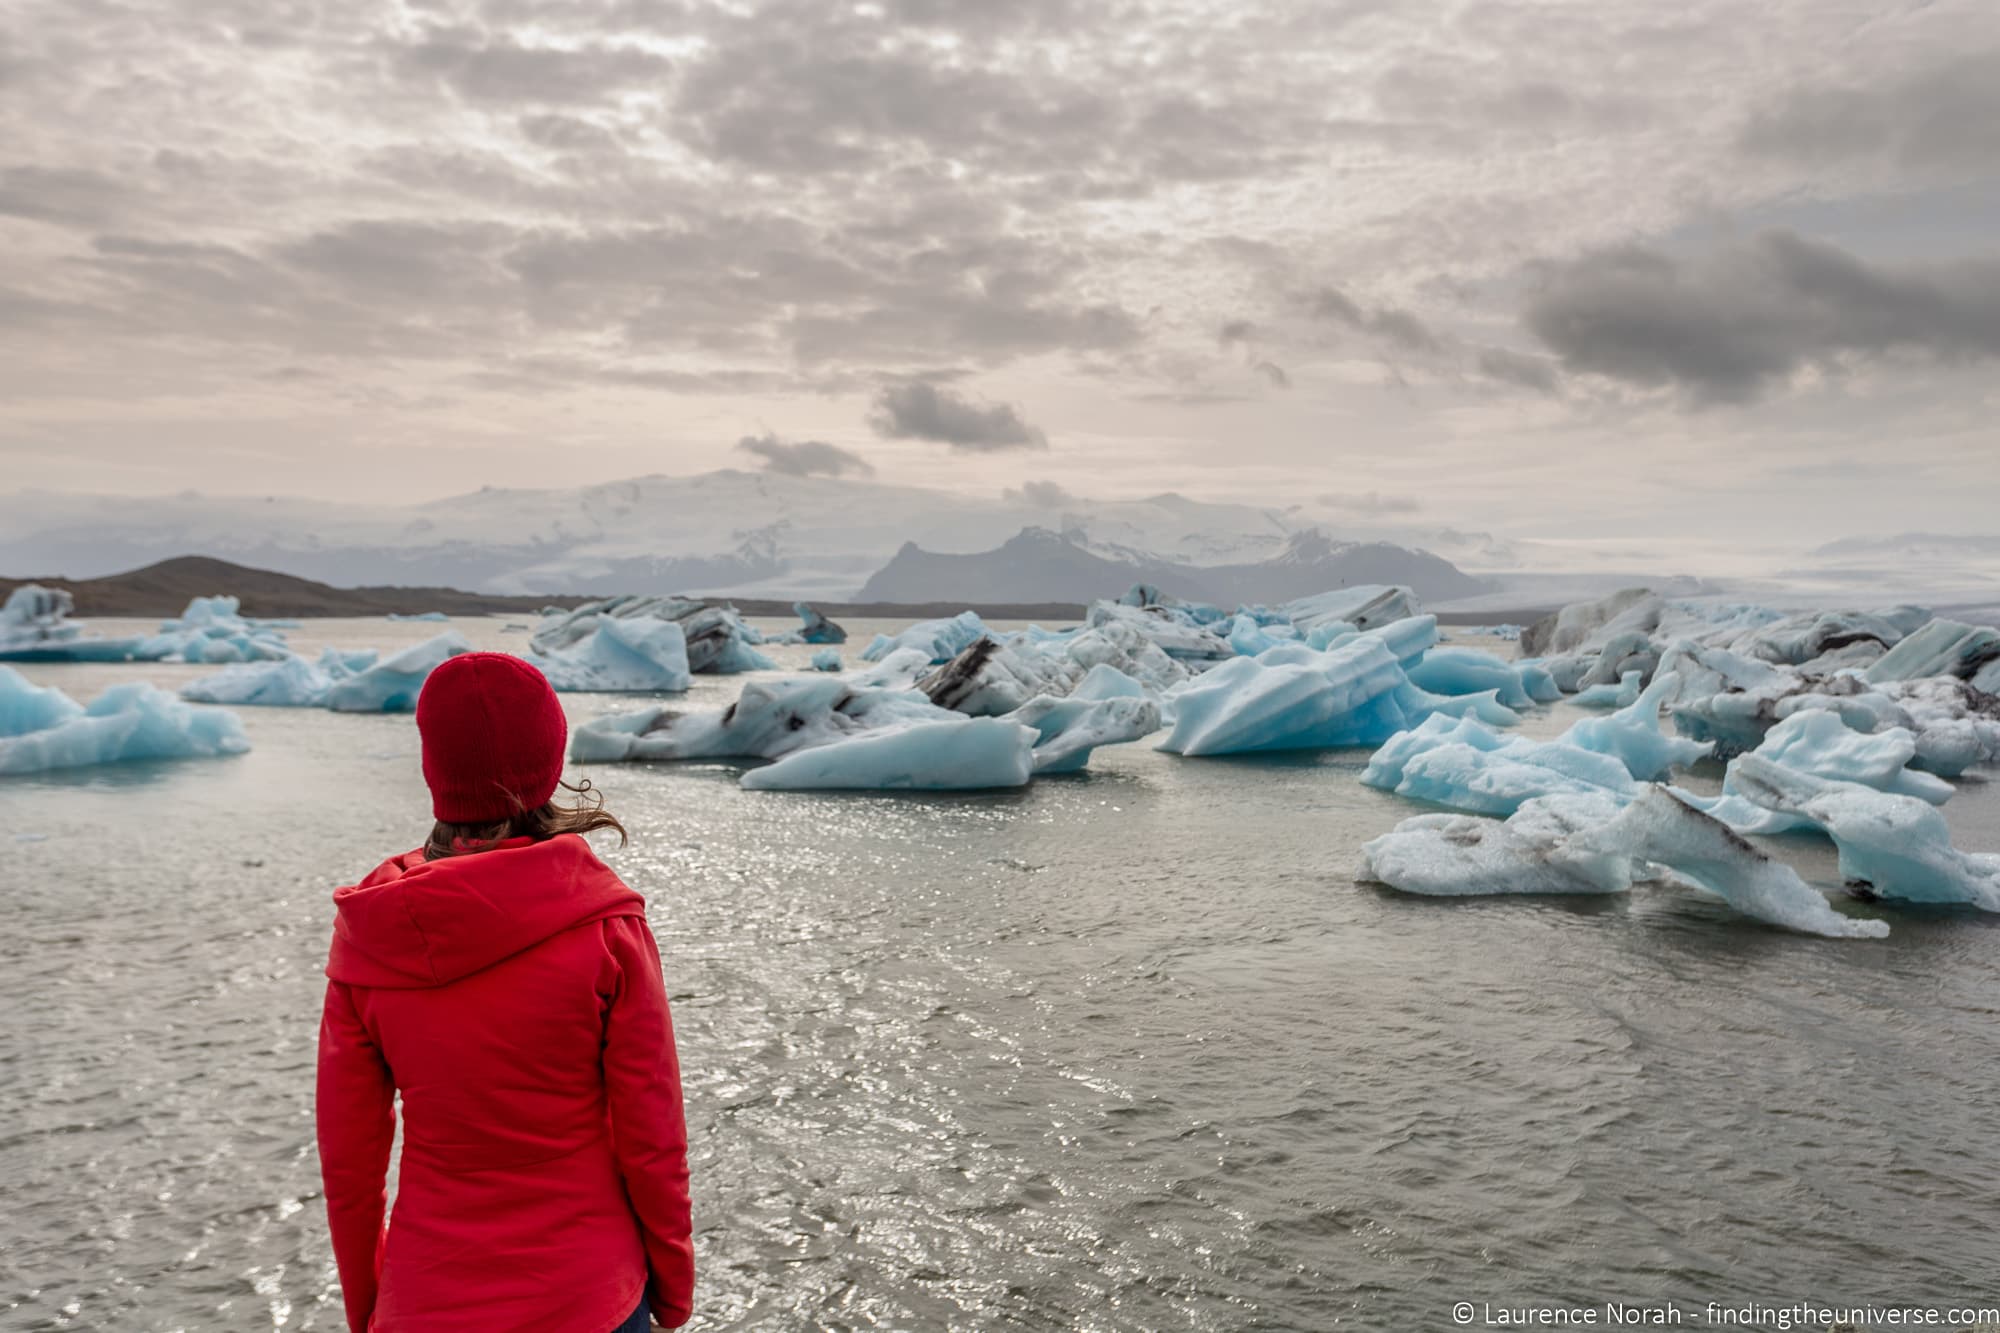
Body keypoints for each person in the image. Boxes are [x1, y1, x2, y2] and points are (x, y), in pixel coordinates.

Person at [315, 652, 694, 1332]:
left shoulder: (369, 937)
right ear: (550, 759)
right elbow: (653, 1136)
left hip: (426, 1301)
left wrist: (370, 1304)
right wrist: (673, 1283)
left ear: (435, 768)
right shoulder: (606, 925)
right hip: (591, 1296)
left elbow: (351, 1166)